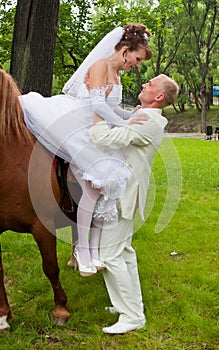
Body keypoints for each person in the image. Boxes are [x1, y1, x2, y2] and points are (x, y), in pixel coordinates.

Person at [19, 23, 152, 277]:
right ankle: (82, 250)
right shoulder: (100, 67)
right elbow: (98, 105)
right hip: (79, 128)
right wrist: (124, 122)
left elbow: (110, 108)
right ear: (125, 50)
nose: (136, 65)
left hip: (98, 131)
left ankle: (94, 250)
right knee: (92, 191)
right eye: (136, 59)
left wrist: (129, 114)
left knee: (107, 192)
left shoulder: (117, 73)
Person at [88, 74, 180, 334]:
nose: (143, 85)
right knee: (124, 252)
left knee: (110, 254)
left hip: (123, 195)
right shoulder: (145, 116)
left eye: (150, 84)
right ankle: (126, 305)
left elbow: (104, 138)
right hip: (121, 190)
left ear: (159, 97)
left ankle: (133, 316)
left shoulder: (148, 122)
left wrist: (97, 112)